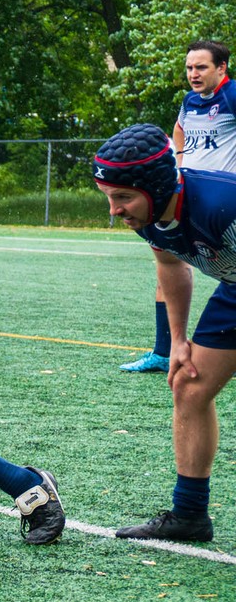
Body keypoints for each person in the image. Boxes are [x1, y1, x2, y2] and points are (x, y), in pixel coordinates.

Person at [91, 124, 236, 541]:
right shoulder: (150, 216)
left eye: (122, 197)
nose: (114, 210)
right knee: (188, 387)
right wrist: (177, 341)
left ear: (154, 186)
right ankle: (189, 515)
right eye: (109, 197)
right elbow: (172, 265)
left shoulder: (223, 205)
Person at [123, 40, 236, 373]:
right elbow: (179, 130)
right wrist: (180, 162)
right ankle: (164, 350)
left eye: (201, 67)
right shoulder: (190, 101)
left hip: (223, 208)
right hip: (187, 199)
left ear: (221, 68)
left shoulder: (232, 97)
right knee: (167, 261)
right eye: (189, 68)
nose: (193, 74)